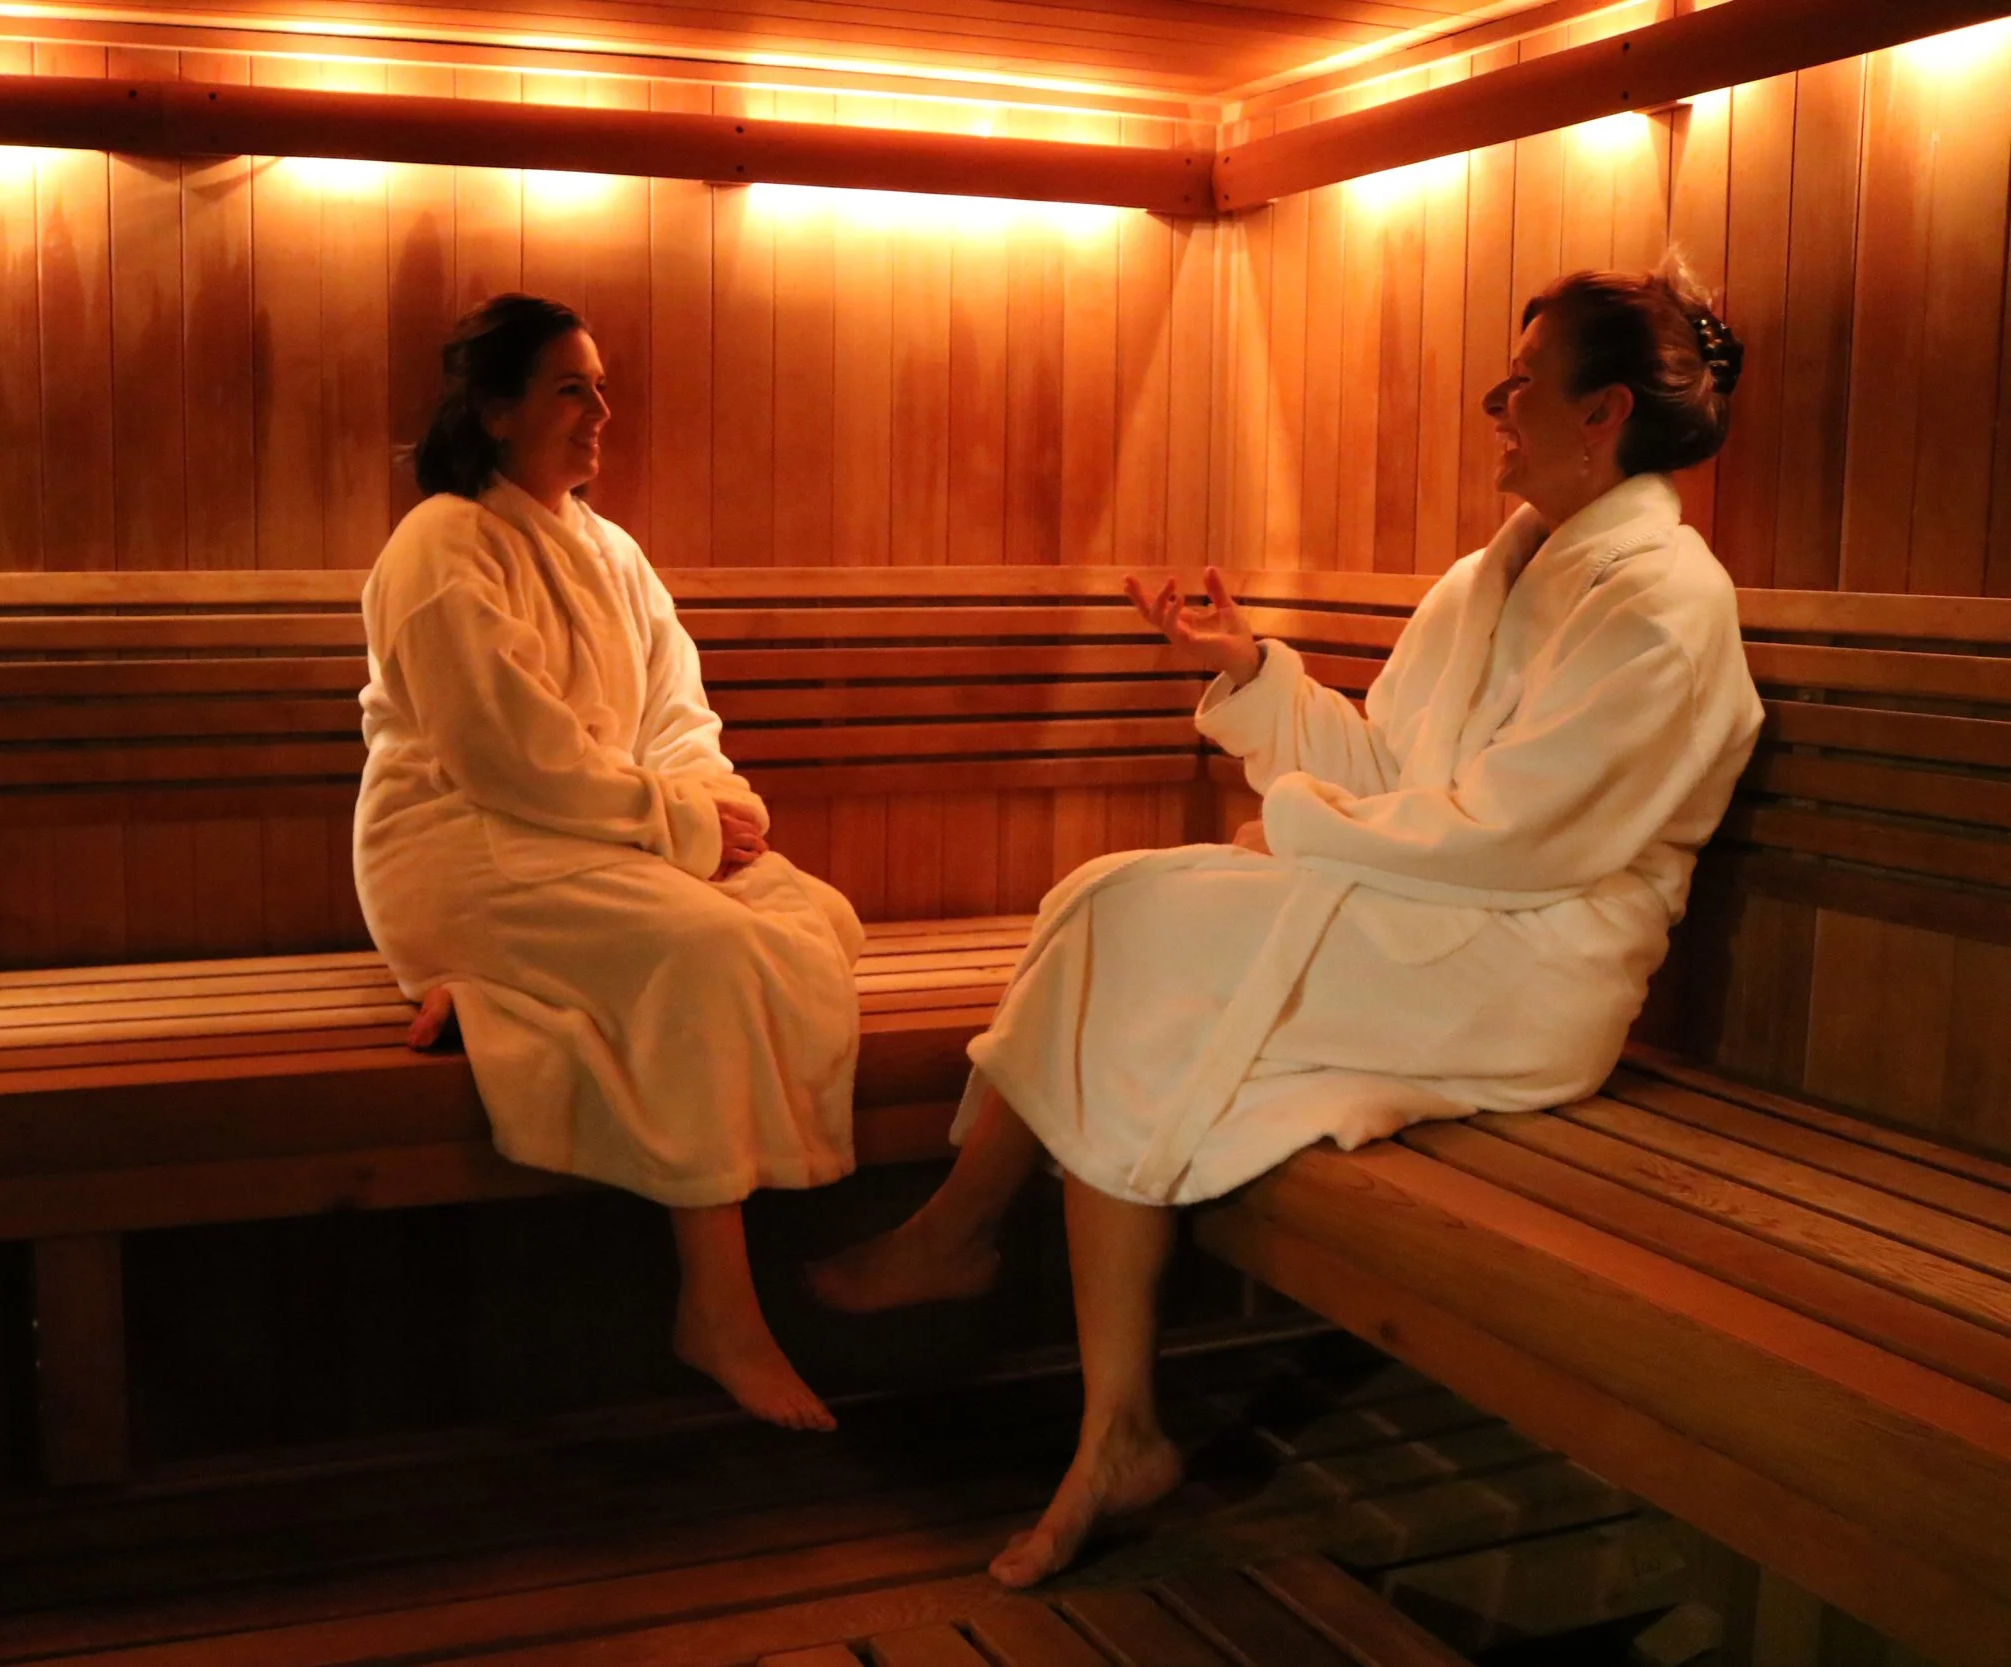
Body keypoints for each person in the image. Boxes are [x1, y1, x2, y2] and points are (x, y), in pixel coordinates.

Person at [808, 256, 1765, 1580]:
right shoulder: (1487, 577)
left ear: (1601, 413)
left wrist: (1299, 832)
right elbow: (1393, 770)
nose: (1496, 403)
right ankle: (1112, 1419)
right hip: (1434, 908)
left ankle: (975, 1241)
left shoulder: (1664, 604)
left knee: (1137, 925)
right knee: (1117, 912)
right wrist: (1249, 670)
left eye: (1520, 382)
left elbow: (1520, 838)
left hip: (1536, 958)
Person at [354, 293, 866, 1432]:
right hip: (462, 846)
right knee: (707, 949)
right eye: (570, 388)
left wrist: (715, 807)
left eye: (600, 387)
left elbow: (678, 713)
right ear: (494, 411)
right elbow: (504, 759)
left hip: (607, 833)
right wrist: (682, 829)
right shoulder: (442, 544)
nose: (601, 413)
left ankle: (508, 1006)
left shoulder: (610, 549)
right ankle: (718, 1311)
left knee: (813, 917)